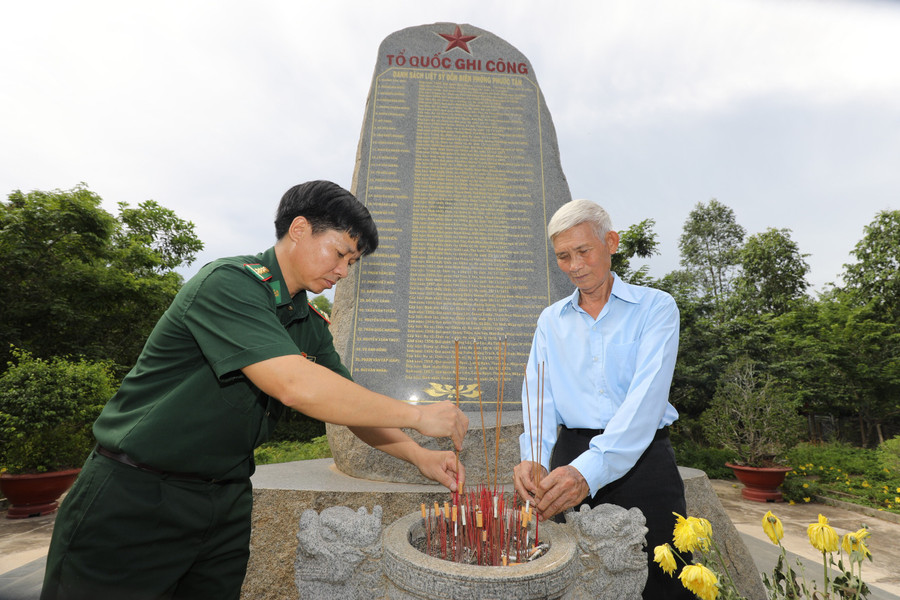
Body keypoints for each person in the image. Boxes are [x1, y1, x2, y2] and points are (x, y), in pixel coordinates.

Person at [41, 180, 468, 600]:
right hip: (137, 495)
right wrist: (417, 415)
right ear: (299, 229)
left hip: (224, 502)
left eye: (352, 263)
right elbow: (294, 385)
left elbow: (348, 404)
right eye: (340, 253)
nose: (343, 271)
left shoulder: (307, 322)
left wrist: (420, 455)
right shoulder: (230, 284)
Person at [512, 198, 691, 599]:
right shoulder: (551, 321)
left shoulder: (655, 308)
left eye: (583, 251)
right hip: (569, 458)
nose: (574, 265)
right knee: (574, 579)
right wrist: (535, 458)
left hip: (644, 460)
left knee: (664, 578)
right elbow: (539, 396)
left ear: (611, 242)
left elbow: (645, 401)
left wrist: (588, 472)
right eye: (563, 256)